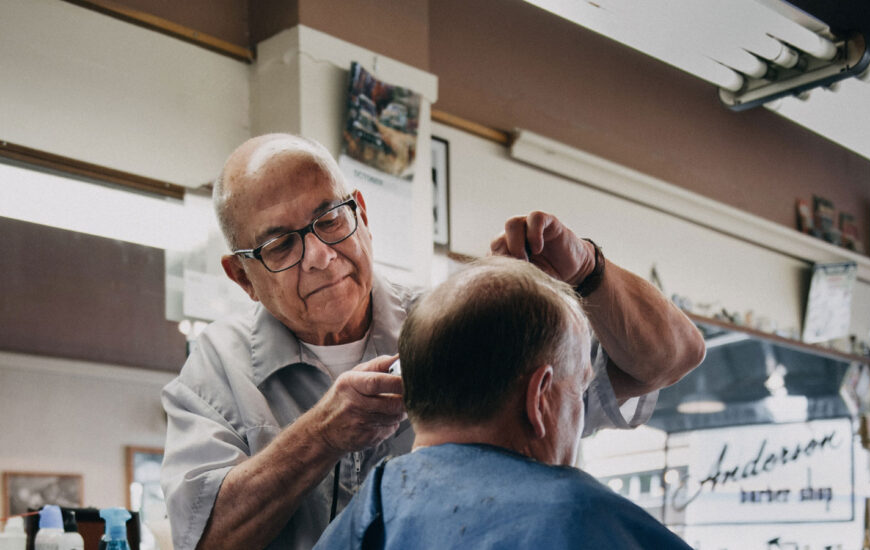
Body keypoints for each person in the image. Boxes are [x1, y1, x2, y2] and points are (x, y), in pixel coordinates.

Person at [160, 134, 705, 550]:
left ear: (361, 215)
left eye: (330, 219)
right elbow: (204, 541)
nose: (322, 255)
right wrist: (322, 435)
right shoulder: (216, 373)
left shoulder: (453, 321)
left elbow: (672, 359)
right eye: (280, 244)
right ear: (241, 276)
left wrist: (588, 270)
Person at [314, 256, 693, 549]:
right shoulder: (585, 516)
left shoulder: (368, 511)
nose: (579, 414)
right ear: (539, 397)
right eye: (578, 389)